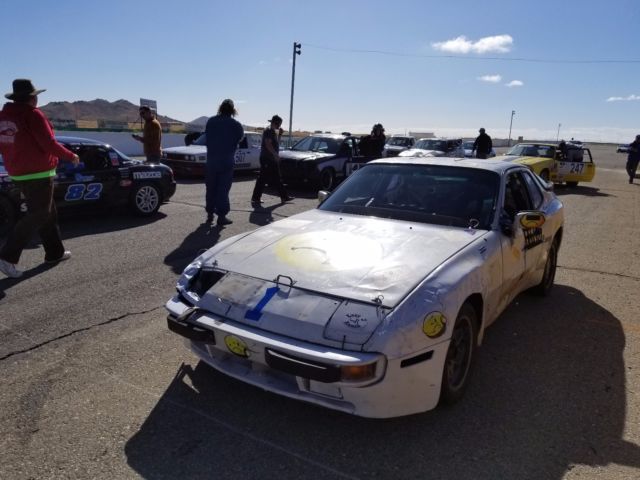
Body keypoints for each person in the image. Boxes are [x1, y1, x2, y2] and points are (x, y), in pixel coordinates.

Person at [0, 79, 80, 278]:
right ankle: (7, 257)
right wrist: (71, 156)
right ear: (32, 98)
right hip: (38, 172)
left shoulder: (4, 116)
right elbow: (48, 143)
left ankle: (55, 252)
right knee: (39, 213)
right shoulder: (33, 114)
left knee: (48, 212)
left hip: (18, 171)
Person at [204, 99, 244, 226]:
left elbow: (207, 136)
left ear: (220, 108)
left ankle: (210, 214)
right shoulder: (235, 124)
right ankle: (221, 216)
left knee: (211, 188)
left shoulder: (211, 121)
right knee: (223, 189)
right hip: (226, 161)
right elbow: (240, 138)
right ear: (232, 110)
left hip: (211, 161)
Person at [251, 115, 293, 205]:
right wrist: (275, 155)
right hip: (267, 158)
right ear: (275, 123)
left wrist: (280, 135)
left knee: (276, 178)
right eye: (279, 124)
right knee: (263, 178)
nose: (279, 126)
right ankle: (256, 197)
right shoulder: (269, 131)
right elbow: (268, 144)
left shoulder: (273, 132)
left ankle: (284, 197)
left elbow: (275, 144)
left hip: (271, 158)